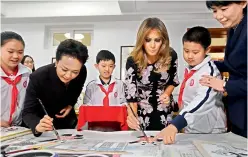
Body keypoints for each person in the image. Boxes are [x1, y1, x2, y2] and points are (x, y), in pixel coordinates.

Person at [154, 26, 227, 144]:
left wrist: (176, 124)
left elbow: (202, 101)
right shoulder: (192, 69)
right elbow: (188, 99)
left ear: (207, 50)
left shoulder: (208, 72)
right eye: (186, 51)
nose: (189, 56)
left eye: (195, 52)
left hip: (210, 131)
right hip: (194, 127)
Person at [200, 1, 247, 138]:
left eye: (224, 9)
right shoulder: (234, 27)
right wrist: (205, 64)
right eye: (215, 11)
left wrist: (224, 85)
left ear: (243, 2)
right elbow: (236, 64)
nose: (218, 16)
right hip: (238, 110)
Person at [22, 39, 88, 136]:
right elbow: (28, 112)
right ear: (56, 62)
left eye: (75, 72)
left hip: (67, 126)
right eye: (64, 69)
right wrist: (37, 125)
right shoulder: (38, 77)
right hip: (43, 128)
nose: (68, 75)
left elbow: (78, 88)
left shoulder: (82, 71)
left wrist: (71, 104)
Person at [125, 17, 179, 131]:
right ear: (141, 40)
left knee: (165, 145)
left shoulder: (171, 56)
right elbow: (131, 95)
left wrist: (167, 93)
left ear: (163, 41)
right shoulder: (132, 60)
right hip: (142, 112)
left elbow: (173, 81)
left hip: (165, 111)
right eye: (148, 40)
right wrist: (132, 117)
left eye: (157, 40)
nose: (152, 45)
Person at [82, 50, 127, 131]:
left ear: (114, 67)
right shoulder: (91, 86)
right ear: (96, 66)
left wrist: (123, 107)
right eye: (103, 66)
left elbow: (124, 102)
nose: (107, 69)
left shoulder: (120, 84)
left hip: (115, 125)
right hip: (96, 126)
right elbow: (87, 105)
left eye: (110, 66)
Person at [1, 31, 31, 127]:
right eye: (10, 52)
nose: (16, 56)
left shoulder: (27, 73)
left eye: (20, 52)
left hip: (16, 128)